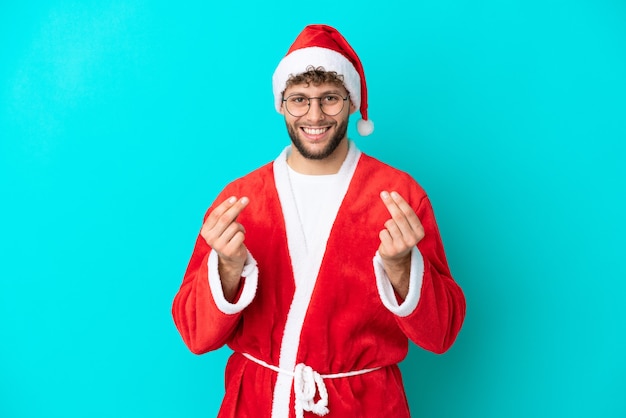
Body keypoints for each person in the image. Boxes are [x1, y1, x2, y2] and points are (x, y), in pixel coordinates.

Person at [172, 24, 466, 418]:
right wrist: (226, 268)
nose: (314, 115)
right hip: (260, 404)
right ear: (281, 103)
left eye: (329, 98)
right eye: (299, 99)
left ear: (351, 102)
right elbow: (195, 334)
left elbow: (441, 333)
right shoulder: (241, 201)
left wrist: (401, 269)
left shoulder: (398, 197)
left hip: (366, 406)